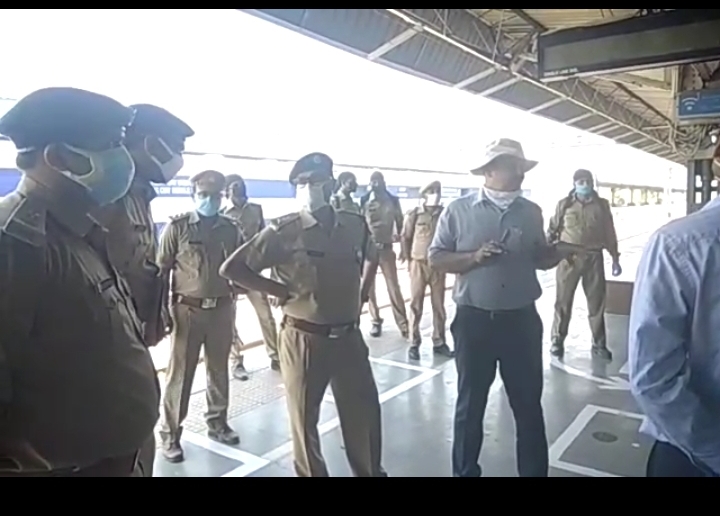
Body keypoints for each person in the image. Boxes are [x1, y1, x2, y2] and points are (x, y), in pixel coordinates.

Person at [0, 87, 159, 476]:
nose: (123, 159)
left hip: (120, 457)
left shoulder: (77, 229)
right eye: (110, 145)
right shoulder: (15, 242)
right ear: (59, 158)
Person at [220, 152, 386, 477]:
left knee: (364, 415)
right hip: (304, 339)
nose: (309, 188)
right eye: (302, 183)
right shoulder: (284, 231)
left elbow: (372, 254)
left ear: (331, 184)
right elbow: (232, 268)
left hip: (349, 337)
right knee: (304, 421)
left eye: (316, 181)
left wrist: (363, 292)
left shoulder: (353, 224)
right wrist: (276, 289)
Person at [428, 138, 573, 478]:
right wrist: (474, 257)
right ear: (489, 171)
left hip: (521, 322)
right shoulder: (458, 211)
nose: (520, 172)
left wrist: (557, 253)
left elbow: (538, 258)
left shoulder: (531, 212)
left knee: (528, 406)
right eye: (512, 166)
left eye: (521, 166)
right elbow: (436, 258)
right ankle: (465, 472)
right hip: (474, 321)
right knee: (470, 405)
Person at [103, 103, 194, 477]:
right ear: (149, 144)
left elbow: (143, 271)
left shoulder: (139, 196)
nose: (178, 159)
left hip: (132, 340)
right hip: (107, 351)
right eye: (175, 148)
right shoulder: (109, 200)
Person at [628, 154, 720, 477]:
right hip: (695, 453)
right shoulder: (681, 244)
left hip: (696, 450)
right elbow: (653, 379)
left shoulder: (678, 243)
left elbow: (652, 377)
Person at [157, 170, 242, 463]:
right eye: (204, 195)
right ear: (194, 195)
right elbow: (162, 271)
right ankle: (170, 434)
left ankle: (218, 423)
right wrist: (161, 311)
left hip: (221, 309)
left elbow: (241, 265)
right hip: (187, 311)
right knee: (180, 374)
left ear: (222, 197)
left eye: (215, 195)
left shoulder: (230, 229)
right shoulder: (177, 227)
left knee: (218, 370)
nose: (210, 200)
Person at [546, 169, 620, 360]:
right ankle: (557, 341)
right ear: (574, 184)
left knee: (596, 304)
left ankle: (599, 344)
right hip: (569, 259)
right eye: (581, 182)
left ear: (592, 183)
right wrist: (547, 253)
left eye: (588, 181)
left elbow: (609, 232)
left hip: (594, 258)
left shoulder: (602, 205)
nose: (585, 185)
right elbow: (552, 230)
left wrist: (615, 257)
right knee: (563, 302)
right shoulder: (564, 204)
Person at [222, 173, 280, 375]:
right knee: (230, 319)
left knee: (266, 315)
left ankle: (275, 356)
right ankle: (236, 361)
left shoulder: (256, 209)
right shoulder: (222, 214)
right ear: (227, 191)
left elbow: (265, 240)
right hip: (231, 273)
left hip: (253, 272)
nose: (238, 189)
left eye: (240, 185)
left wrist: (271, 273)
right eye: (233, 187)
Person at [401, 180, 453, 360]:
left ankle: (439, 341)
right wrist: (409, 260)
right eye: (432, 191)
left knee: (439, 305)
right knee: (416, 304)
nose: (436, 194)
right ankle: (414, 343)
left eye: (438, 191)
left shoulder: (445, 214)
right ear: (424, 195)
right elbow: (406, 237)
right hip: (418, 263)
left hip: (438, 265)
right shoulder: (415, 214)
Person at [360, 171, 409, 338]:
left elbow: (401, 225)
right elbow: (361, 225)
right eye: (372, 181)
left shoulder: (393, 200)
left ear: (383, 182)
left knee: (393, 287)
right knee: (369, 288)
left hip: (387, 249)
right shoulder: (364, 200)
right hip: (369, 249)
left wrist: (403, 248)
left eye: (378, 181)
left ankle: (403, 324)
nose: (375, 184)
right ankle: (375, 320)